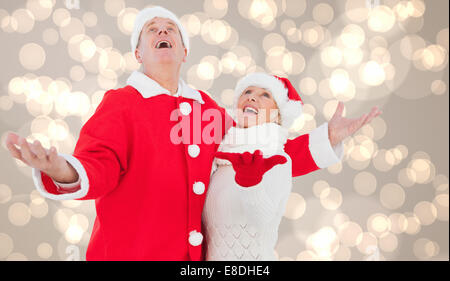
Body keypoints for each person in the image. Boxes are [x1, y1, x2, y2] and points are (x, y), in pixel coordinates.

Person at [4, 6, 382, 260]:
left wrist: (326, 138)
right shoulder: (122, 103)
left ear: (184, 51)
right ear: (139, 54)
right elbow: (98, 165)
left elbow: (260, 153)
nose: (162, 31)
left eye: (170, 29)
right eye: (152, 30)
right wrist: (62, 171)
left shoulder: (205, 108)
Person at [202, 73, 382, 260]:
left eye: (266, 95)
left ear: (277, 115)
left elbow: (263, 220)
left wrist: (251, 183)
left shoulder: (277, 159)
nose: (252, 97)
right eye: (247, 91)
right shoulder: (219, 159)